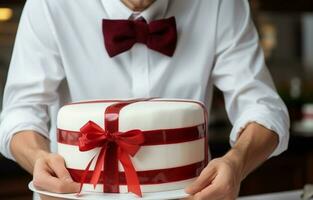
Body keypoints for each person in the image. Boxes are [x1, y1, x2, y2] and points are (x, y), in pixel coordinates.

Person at [0, 0, 290, 199]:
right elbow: (20, 112)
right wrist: (38, 157)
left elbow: (263, 106)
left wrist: (237, 163)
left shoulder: (219, 4)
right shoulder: (49, 5)